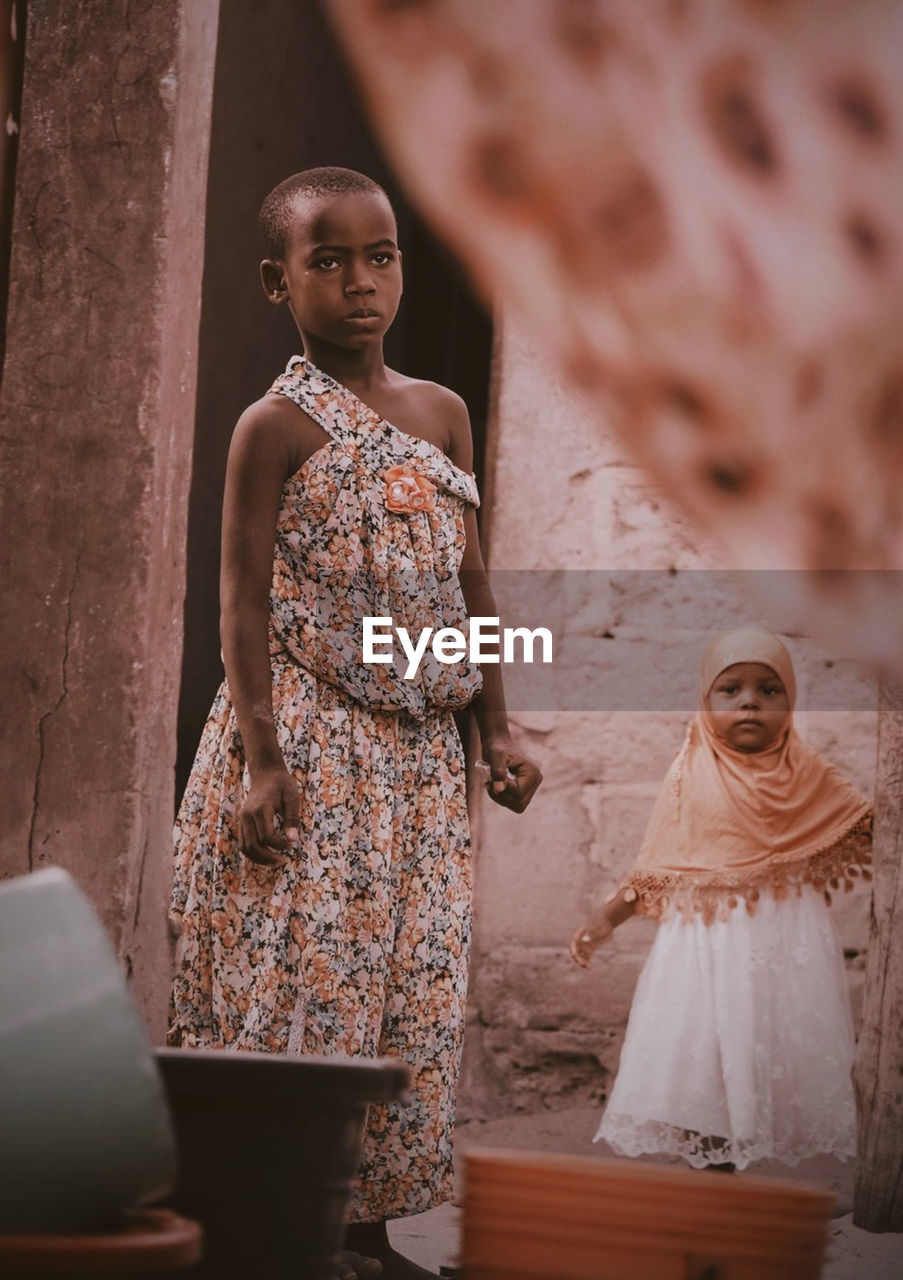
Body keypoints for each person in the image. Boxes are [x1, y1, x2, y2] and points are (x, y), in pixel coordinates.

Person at [168, 166, 542, 1280]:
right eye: (327, 261)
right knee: (302, 978)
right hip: (311, 743)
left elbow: (470, 583)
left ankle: (371, 1231)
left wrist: (500, 730)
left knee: (411, 984)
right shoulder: (271, 427)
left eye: (379, 256)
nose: (360, 282)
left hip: (423, 762)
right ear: (276, 280)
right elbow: (237, 603)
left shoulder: (443, 413)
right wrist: (262, 757)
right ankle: (278, 1228)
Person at [570, 627, 872, 1172]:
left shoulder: (810, 773)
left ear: (791, 701)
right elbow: (658, 865)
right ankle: (712, 1174)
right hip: (706, 941)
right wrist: (606, 919)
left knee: (769, 1045)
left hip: (783, 941)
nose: (750, 701)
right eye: (729, 689)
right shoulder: (691, 771)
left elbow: (873, 826)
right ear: (705, 702)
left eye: (768, 690)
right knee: (703, 1055)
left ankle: (754, 1178)